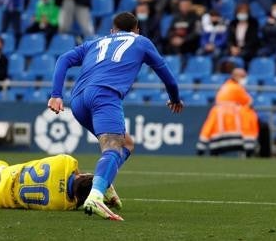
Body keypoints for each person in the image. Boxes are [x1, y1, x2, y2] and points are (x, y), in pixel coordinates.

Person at [48, 12, 183, 220]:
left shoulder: (96, 42)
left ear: (112, 31)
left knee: (127, 144)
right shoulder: (141, 41)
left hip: (78, 100)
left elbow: (64, 59)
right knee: (113, 148)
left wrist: (56, 94)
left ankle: (104, 183)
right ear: (136, 30)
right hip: (104, 95)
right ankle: (95, 196)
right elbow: (167, 76)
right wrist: (174, 98)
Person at [197, 67, 259, 156]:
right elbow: (249, 102)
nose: (245, 79)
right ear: (237, 76)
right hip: (230, 114)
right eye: (243, 76)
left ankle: (201, 148)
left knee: (208, 129)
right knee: (249, 115)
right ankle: (249, 148)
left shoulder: (225, 86)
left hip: (218, 112)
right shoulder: (236, 88)